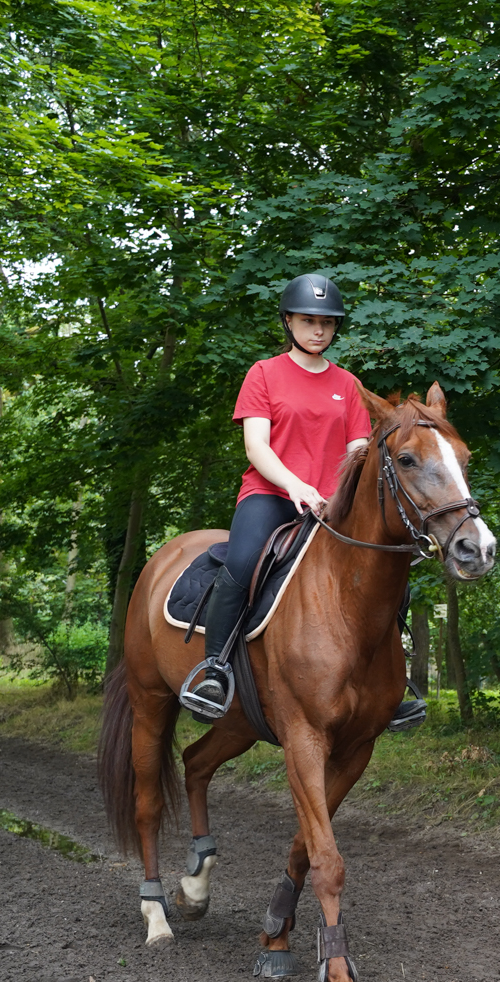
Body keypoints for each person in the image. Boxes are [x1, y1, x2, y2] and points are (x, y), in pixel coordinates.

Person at [178, 273, 373, 721]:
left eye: (328, 322)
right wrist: (295, 485)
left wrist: (342, 495)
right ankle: (215, 670)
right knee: (242, 564)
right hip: (271, 494)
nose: (319, 330)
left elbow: (357, 452)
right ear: (288, 321)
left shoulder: (348, 384)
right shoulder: (264, 373)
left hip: (331, 506)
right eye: (308, 320)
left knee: (384, 564)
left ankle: (390, 681)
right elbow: (256, 447)